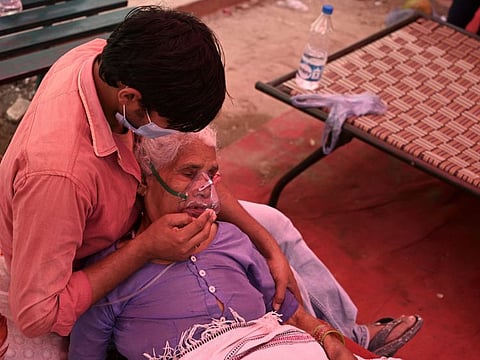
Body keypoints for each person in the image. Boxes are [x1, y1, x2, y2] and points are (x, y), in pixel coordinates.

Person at [0, 5, 421, 358]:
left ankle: (347, 334)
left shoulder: (99, 61)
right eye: (172, 124)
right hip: (60, 256)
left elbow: (193, 169)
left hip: (120, 210)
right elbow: (37, 313)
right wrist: (144, 248)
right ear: (130, 98)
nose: (175, 134)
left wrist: (266, 246)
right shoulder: (59, 176)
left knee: (273, 226)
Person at [68, 126, 409, 360]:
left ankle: (351, 334)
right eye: (188, 174)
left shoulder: (231, 239)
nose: (203, 189)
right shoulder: (113, 272)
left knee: (275, 224)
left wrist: (330, 339)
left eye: (211, 174)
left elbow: (290, 314)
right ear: (144, 180)